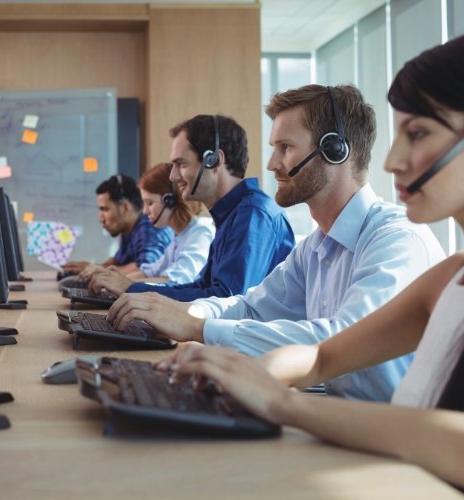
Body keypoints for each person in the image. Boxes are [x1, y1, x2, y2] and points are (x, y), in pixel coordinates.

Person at [155, 35, 464, 489]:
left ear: (337, 150)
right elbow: (321, 356)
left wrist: (283, 403)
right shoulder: (449, 279)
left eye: (417, 133)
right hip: (385, 464)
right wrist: (238, 371)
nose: (394, 161)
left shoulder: (400, 241)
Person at [107, 84, 445, 402]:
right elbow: (251, 307)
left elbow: (341, 340)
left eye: (285, 148)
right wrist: (182, 312)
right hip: (339, 416)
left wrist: (198, 327)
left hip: (392, 439)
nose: (270, 164)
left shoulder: (397, 240)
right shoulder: (314, 248)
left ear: (335, 150)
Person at [100, 114, 295, 301]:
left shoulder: (253, 215)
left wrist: (132, 290)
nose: (173, 177)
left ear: (215, 160)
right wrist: (131, 289)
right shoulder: (231, 215)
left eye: (181, 164)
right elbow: (202, 287)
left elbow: (226, 299)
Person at [88, 162, 215, 293]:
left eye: (150, 203)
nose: (145, 211)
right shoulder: (179, 236)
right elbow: (149, 272)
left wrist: (125, 285)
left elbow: (175, 281)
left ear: (169, 201)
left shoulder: (200, 232)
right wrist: (112, 282)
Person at [61, 174, 172, 278]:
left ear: (125, 208)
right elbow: (117, 262)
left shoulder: (149, 227)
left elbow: (145, 271)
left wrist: (97, 272)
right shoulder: (129, 228)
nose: (100, 218)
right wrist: (92, 267)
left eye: (105, 209)